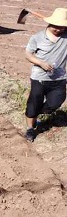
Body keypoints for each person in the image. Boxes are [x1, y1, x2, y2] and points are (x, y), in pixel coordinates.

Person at [23, 8, 67, 142]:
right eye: (57, 27)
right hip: (39, 77)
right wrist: (40, 63)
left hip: (60, 78)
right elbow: (28, 54)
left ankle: (39, 114)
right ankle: (30, 129)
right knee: (34, 102)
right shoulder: (37, 38)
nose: (59, 30)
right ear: (50, 23)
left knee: (56, 102)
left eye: (62, 27)